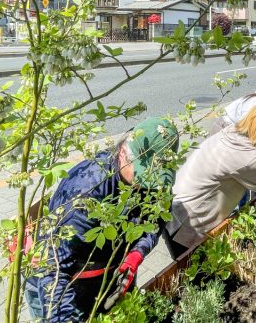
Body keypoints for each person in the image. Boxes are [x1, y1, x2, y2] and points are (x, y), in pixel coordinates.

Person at [25, 117, 179, 322]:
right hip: (62, 281)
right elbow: (54, 272)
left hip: (107, 272)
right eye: (144, 176)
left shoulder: (157, 180)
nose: (149, 186)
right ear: (123, 153)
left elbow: (156, 219)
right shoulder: (87, 192)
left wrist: (136, 253)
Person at [165, 102, 256, 258]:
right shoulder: (247, 158)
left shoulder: (231, 132)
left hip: (175, 206)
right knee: (192, 270)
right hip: (186, 224)